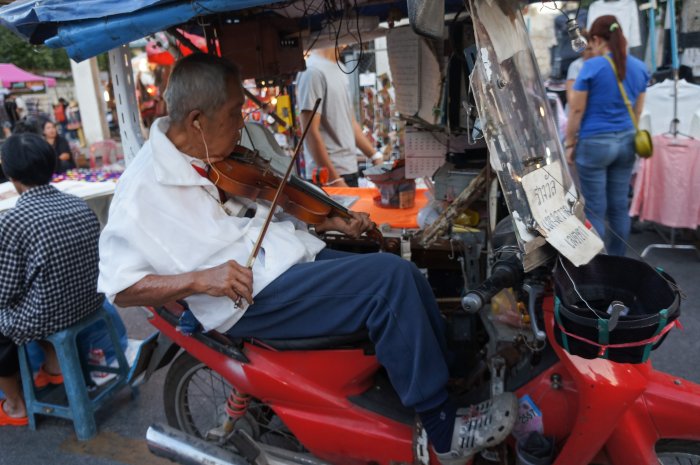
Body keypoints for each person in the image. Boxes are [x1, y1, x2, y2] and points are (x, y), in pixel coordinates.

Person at [97, 53, 514, 464]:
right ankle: (443, 431)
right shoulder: (142, 190)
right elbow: (122, 288)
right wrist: (202, 279)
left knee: (403, 270)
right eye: (232, 114)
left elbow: (272, 203)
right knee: (388, 283)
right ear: (195, 121)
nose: (241, 124)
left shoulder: (205, 155)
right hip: (246, 295)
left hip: (280, 260)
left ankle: (454, 377)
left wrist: (332, 219)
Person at [0, 133, 104, 426]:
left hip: (53, 314)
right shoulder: (77, 204)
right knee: (42, 289)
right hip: (91, 303)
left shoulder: (13, 221)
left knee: (6, 317)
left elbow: (3, 292)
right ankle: (55, 368)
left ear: (11, 175)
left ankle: (16, 405)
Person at [564, 15, 649, 256]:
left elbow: (577, 109)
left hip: (595, 144)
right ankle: (618, 262)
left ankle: (597, 268)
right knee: (619, 207)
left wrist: (570, 143)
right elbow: (638, 110)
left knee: (594, 209)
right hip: (626, 142)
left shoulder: (592, 67)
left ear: (597, 38)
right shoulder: (640, 67)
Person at [296, 47, 384, 187]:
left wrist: (375, 157)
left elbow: (350, 123)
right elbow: (310, 131)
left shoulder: (340, 68)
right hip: (328, 177)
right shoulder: (312, 71)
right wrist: (334, 179)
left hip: (348, 171)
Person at [565, 31, 592, 106]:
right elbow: (572, 96)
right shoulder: (576, 66)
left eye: (591, 49)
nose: (590, 52)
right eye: (588, 49)